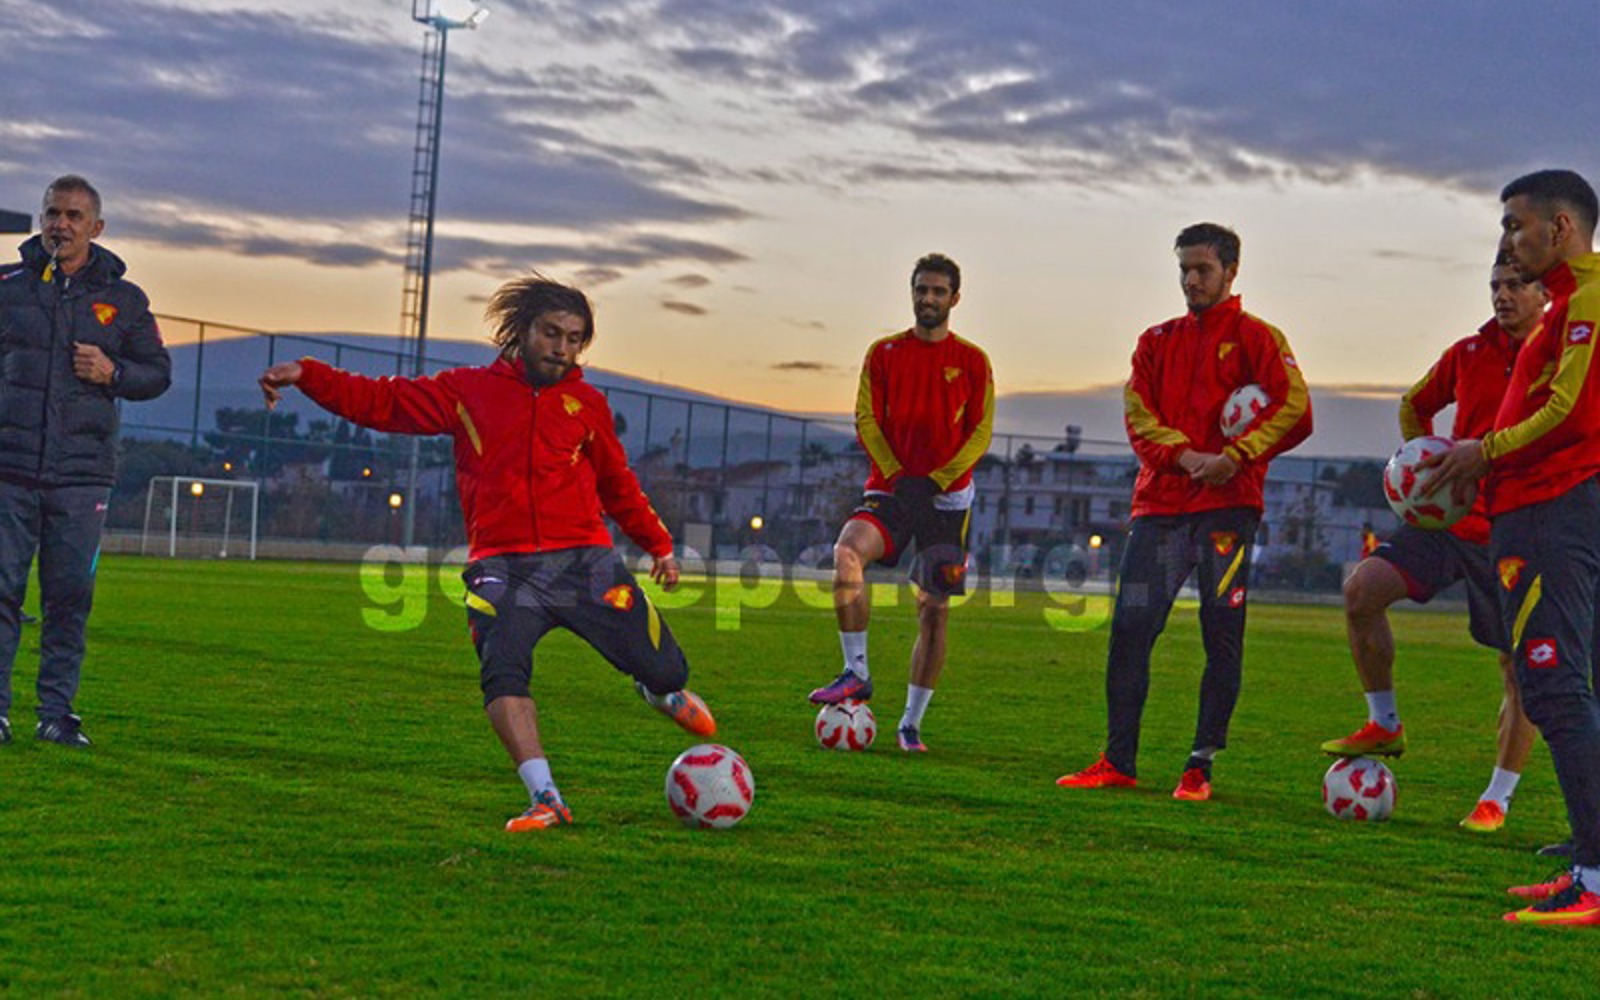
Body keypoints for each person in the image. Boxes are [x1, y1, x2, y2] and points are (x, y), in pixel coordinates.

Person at [258, 275, 715, 831]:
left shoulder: (588, 405)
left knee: (668, 669)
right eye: (551, 333)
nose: (562, 348)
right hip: (502, 567)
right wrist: (309, 375)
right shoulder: (467, 391)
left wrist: (659, 545)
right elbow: (385, 402)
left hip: (585, 562)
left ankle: (658, 689)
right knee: (503, 672)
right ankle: (546, 797)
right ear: (521, 330)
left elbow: (617, 484)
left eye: (574, 339)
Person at [1058, 223, 1311, 800]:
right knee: (1130, 628)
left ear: (1231, 272)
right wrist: (1186, 456)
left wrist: (1236, 457)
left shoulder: (1258, 338)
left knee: (1221, 633)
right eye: (1184, 269)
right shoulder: (1155, 341)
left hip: (1227, 510)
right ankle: (1118, 759)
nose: (1191, 280)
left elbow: (1297, 411)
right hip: (1161, 509)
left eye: (1203, 269)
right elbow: (1138, 417)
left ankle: (1199, 766)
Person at [1426, 169, 1600, 925]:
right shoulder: (1564, 306)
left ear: (1560, 227)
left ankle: (1595, 881)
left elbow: (1570, 412)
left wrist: (1483, 452)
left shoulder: (1587, 303)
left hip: (1553, 513)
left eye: (1513, 224)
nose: (1507, 239)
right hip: (1545, 511)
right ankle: (1588, 863)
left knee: (1554, 689)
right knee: (1569, 689)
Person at [1322, 256, 1546, 835]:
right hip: (1449, 521)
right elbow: (1414, 404)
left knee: (1516, 666)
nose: (1502, 295)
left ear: (1544, 292)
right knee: (1362, 590)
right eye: (1495, 286)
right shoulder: (1468, 352)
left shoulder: (1560, 355)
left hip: (1516, 529)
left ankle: (1496, 798)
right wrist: (1422, 465)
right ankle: (1384, 722)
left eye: (1516, 285)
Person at [0, 174, 171, 748]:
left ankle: (56, 714)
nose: (61, 224)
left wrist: (112, 372)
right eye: (53, 213)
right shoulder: (7, 287)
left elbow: (158, 374)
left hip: (82, 477)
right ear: (41, 220)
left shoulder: (125, 301)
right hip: (8, 471)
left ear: (96, 228)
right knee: (0, 592)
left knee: (69, 599)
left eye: (74, 216)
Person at [807, 253, 994, 753]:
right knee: (847, 552)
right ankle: (856, 672)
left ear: (955, 298)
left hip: (947, 502)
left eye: (938, 291)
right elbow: (866, 419)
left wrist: (937, 480)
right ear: (912, 293)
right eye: (921, 289)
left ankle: (911, 723)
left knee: (933, 610)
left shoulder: (973, 361)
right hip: (890, 490)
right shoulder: (883, 353)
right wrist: (896, 474)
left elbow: (980, 432)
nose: (928, 298)